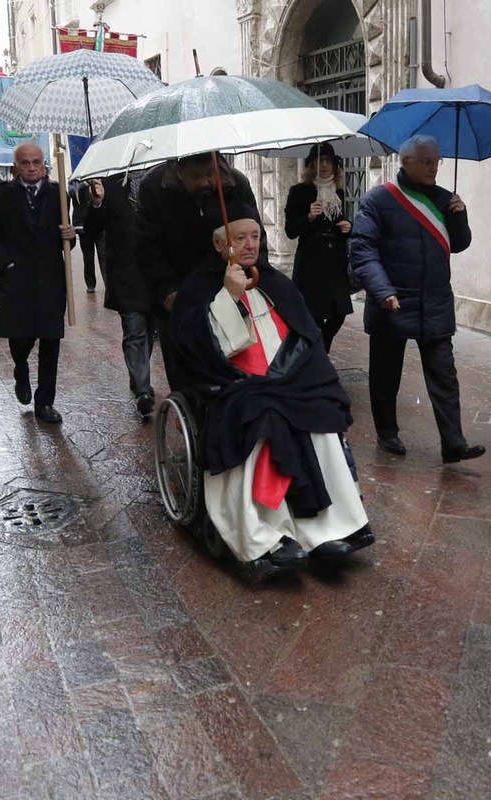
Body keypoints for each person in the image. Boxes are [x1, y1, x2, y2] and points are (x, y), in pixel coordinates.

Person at [170, 201, 373, 581]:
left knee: (321, 415)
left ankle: (328, 529)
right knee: (264, 420)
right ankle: (266, 537)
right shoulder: (198, 288)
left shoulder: (274, 280)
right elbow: (201, 348)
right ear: (218, 245)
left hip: (288, 381)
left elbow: (307, 335)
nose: (250, 245)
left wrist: (304, 375)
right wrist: (228, 298)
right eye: (240, 238)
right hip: (235, 385)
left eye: (255, 236)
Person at [349, 134, 485, 464]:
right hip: (391, 302)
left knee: (444, 375)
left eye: (436, 161)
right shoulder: (378, 200)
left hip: (435, 301)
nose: (433, 168)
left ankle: (454, 442)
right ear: (405, 161)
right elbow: (362, 250)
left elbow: (459, 244)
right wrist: (382, 290)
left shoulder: (443, 199)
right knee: (385, 374)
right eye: (426, 161)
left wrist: (459, 214)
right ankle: (387, 433)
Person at [136, 151, 266, 394]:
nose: (206, 182)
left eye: (210, 174)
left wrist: (255, 277)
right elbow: (149, 251)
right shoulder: (154, 187)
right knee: (190, 380)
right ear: (178, 170)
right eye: (196, 176)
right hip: (180, 294)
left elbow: (255, 235)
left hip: (230, 289)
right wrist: (168, 294)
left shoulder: (235, 182)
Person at [0, 142, 78, 425]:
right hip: (17, 282)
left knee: (50, 343)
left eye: (37, 162)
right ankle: (20, 370)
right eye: (26, 163)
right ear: (16, 167)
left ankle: (45, 401)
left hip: (50, 281)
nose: (33, 168)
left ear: (44, 164)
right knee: (20, 340)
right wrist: (7, 265)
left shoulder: (58, 194)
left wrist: (70, 235)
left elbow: (66, 241)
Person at [82, 174, 157, 418]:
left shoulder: (159, 180)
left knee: (149, 331)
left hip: (157, 272)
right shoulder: (110, 185)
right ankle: (143, 390)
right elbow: (92, 229)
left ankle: (138, 376)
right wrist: (97, 204)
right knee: (134, 330)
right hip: (127, 274)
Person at [283, 143, 355, 353]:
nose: (324, 165)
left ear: (334, 165)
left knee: (338, 314)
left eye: (328, 161)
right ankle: (317, 359)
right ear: (311, 165)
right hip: (311, 264)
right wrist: (309, 217)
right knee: (312, 315)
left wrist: (348, 226)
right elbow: (291, 230)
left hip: (335, 263)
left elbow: (340, 221)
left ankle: (319, 352)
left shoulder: (339, 192)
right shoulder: (299, 192)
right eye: (319, 161)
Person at [69, 178, 103, 294]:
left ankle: (108, 283)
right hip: (83, 225)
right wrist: (85, 184)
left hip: (99, 224)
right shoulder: (75, 181)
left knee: (103, 255)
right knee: (88, 257)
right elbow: (72, 193)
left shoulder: (100, 179)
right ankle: (90, 284)